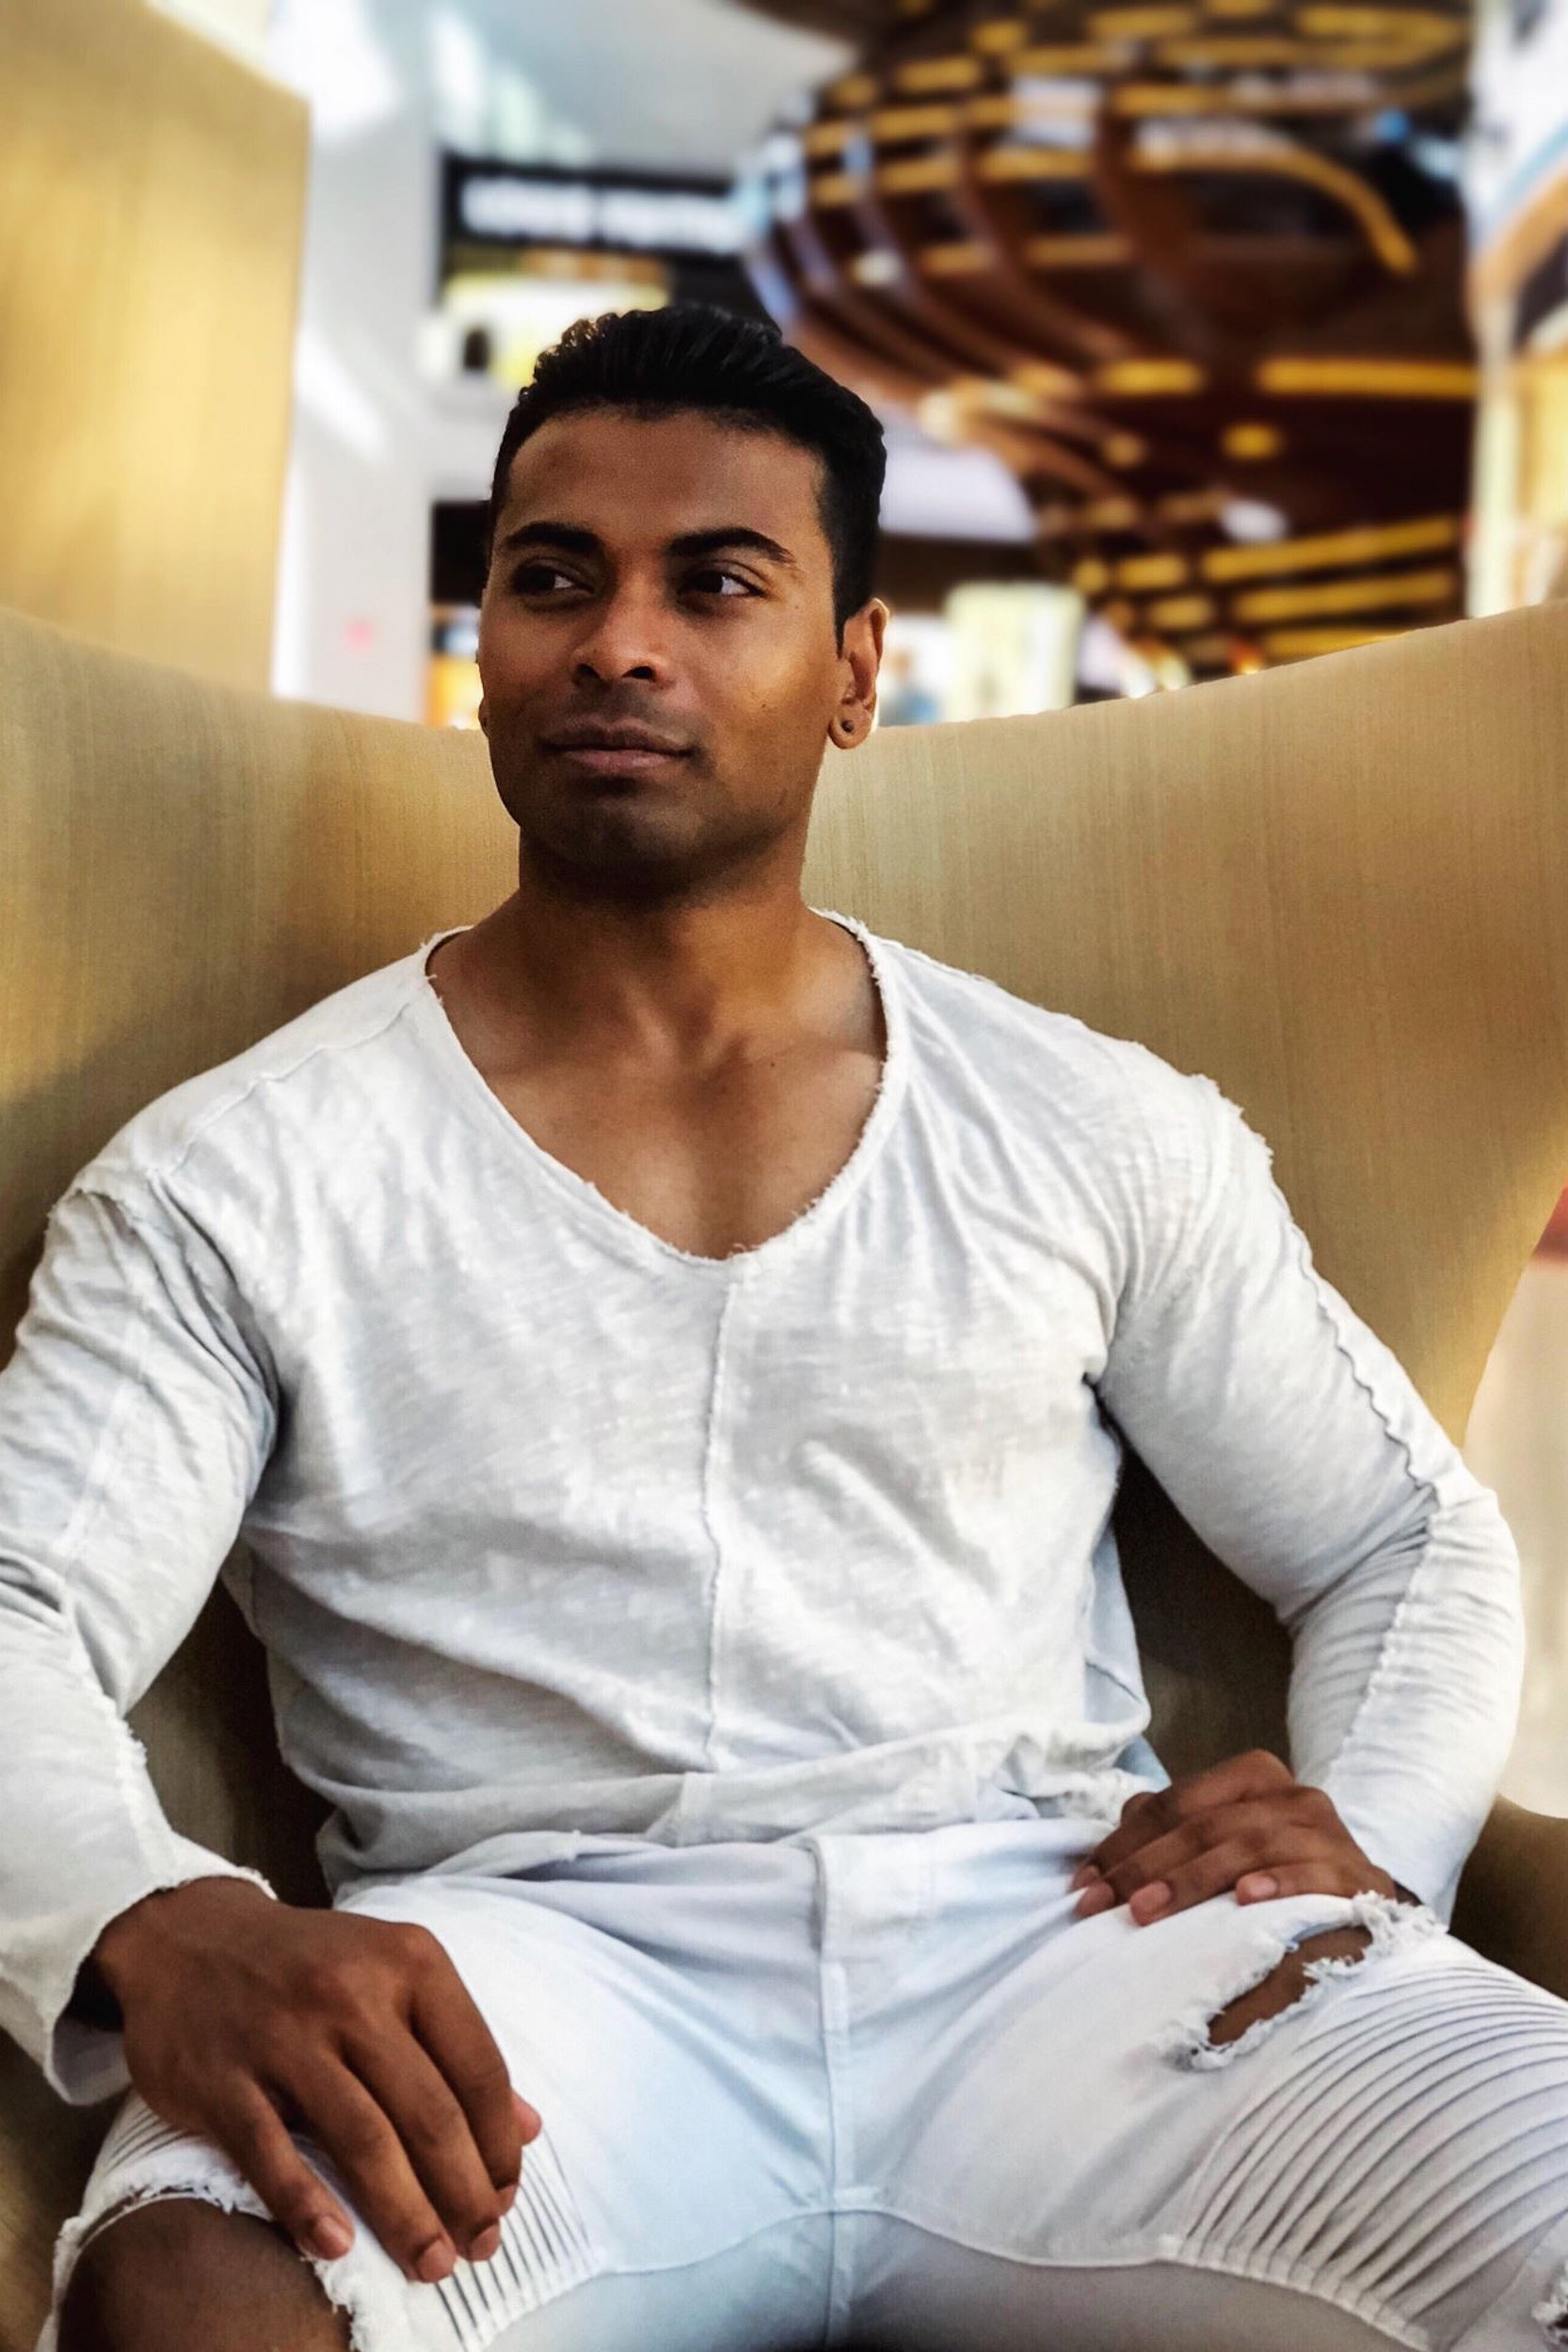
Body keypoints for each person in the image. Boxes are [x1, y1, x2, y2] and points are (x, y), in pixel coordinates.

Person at [3, 303, 1567, 2352]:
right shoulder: (239, 1173)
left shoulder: (1088, 1123)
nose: (616, 642)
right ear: (486, 643)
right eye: (551, 577)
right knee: (196, 2289)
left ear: (851, 672)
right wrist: (152, 1913)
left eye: (713, 581)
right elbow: (17, 1600)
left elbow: (1400, 1535)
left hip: (1078, 1946)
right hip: (536, 1986)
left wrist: (1373, 1825)